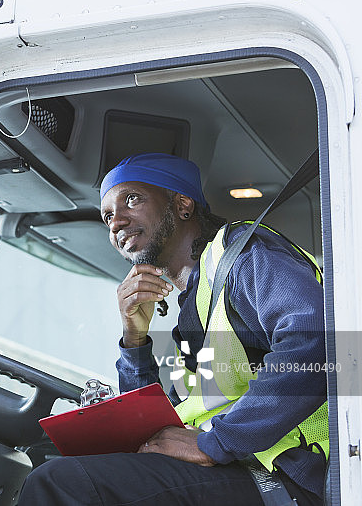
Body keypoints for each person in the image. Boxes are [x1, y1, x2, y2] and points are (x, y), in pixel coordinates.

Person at [18, 153, 328, 506]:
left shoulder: (243, 254)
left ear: (182, 205)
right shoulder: (195, 308)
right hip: (240, 467)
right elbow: (161, 430)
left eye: (132, 199)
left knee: (59, 483)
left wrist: (216, 443)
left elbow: (317, 342)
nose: (116, 222)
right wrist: (135, 339)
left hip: (289, 476)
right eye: (107, 216)